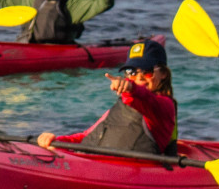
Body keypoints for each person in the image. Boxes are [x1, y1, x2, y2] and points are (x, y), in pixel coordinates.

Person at [36, 39, 178, 155]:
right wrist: (57, 141)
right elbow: (87, 136)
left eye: (147, 72)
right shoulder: (124, 104)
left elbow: (147, 99)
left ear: (163, 73)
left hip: (126, 172)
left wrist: (130, 88)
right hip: (95, 163)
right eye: (132, 72)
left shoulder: (165, 106)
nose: (139, 78)